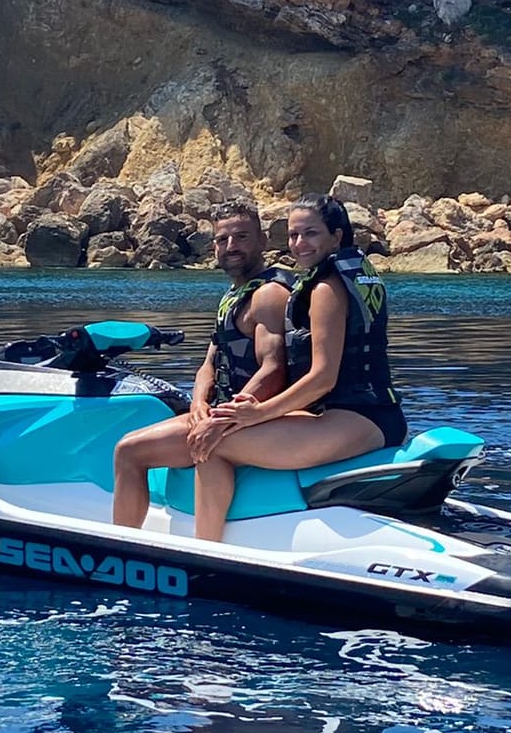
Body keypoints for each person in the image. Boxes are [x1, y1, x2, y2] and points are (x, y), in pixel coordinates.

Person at [191, 195, 406, 542]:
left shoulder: (325, 288)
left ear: (337, 237)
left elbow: (323, 378)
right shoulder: (355, 275)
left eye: (310, 234)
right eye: (293, 235)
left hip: (362, 417)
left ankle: (207, 552)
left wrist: (257, 414)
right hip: (372, 412)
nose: (299, 244)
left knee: (212, 444)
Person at [110, 199, 293, 528]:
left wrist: (220, 418)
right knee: (128, 447)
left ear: (263, 241)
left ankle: (122, 550)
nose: (231, 246)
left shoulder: (268, 295)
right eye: (223, 240)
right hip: (223, 409)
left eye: (241, 237)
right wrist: (197, 402)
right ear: (214, 247)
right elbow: (210, 361)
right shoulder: (234, 293)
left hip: (249, 416)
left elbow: (273, 369)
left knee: (129, 452)